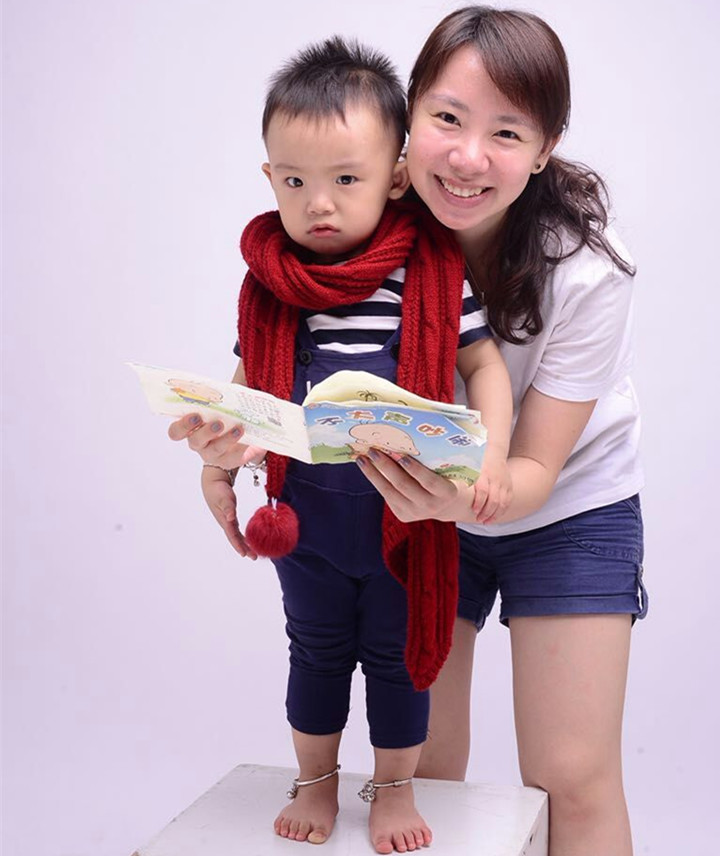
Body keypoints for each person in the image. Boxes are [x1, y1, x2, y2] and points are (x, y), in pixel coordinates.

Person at [168, 36, 513, 854]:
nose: (317, 204)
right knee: (315, 652)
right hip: (309, 518)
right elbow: (250, 397)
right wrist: (221, 449)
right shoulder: (272, 285)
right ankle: (315, 778)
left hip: (406, 515)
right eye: (294, 181)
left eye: (345, 180)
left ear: (396, 177)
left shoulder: (430, 273)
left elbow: (484, 364)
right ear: (269, 178)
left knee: (399, 661)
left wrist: (493, 457)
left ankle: (392, 787)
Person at [356, 8, 646, 856]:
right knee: (417, 767)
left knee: (571, 777)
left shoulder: (587, 268)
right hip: (417, 498)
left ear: (545, 147)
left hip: (565, 506)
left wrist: (459, 498)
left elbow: (535, 467)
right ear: (410, 109)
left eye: (507, 133)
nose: (467, 157)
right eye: (447, 118)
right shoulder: (365, 213)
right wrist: (236, 447)